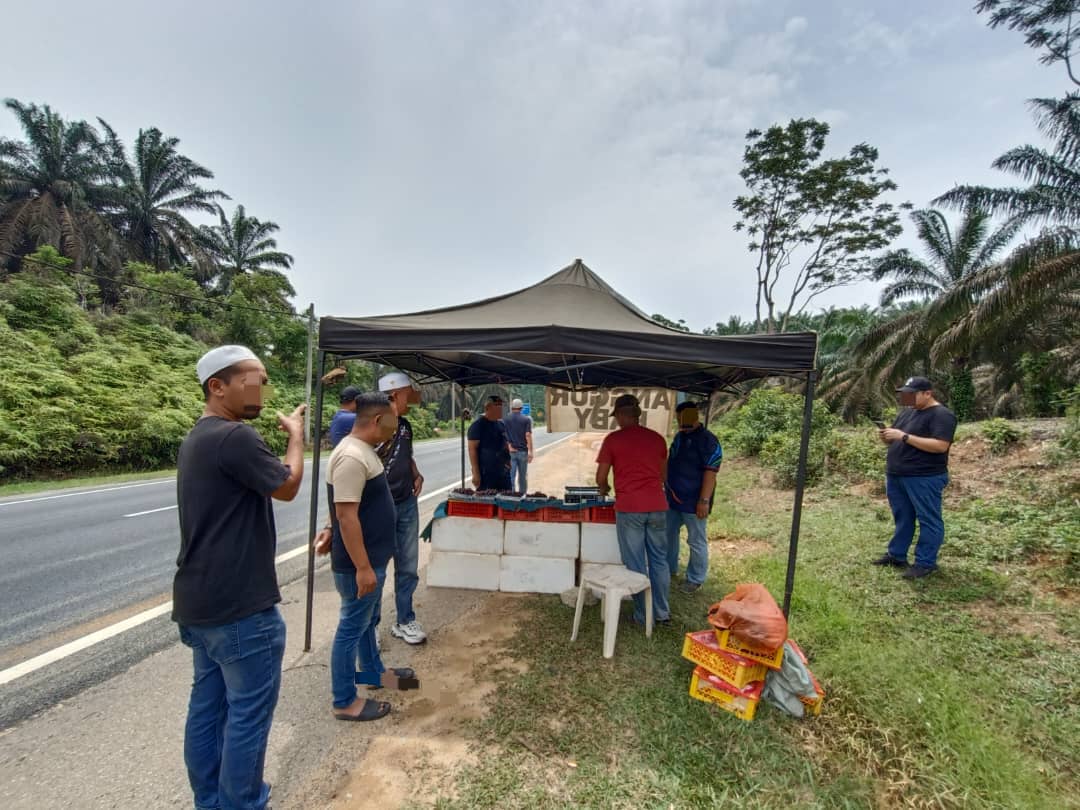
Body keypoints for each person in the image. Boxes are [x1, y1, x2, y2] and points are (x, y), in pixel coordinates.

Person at [173, 345, 306, 810]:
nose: (262, 389)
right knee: (248, 713)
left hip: (199, 601)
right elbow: (287, 486)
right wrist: (297, 436)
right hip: (239, 605)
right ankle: (243, 802)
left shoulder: (198, 437)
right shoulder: (235, 437)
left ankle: (210, 801)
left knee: (208, 710)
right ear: (218, 386)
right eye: (254, 380)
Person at [317, 392, 416, 721]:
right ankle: (344, 700)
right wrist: (362, 567)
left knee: (366, 622)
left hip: (372, 558)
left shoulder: (364, 451)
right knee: (351, 627)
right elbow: (346, 515)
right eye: (391, 419)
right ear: (377, 420)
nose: (395, 425)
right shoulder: (350, 456)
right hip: (359, 563)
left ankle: (373, 675)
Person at [595, 393, 671, 625]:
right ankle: (661, 612)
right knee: (659, 560)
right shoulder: (657, 439)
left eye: (616, 415)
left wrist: (604, 487)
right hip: (657, 505)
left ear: (620, 415)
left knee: (635, 562)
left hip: (630, 508)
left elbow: (601, 476)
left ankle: (642, 614)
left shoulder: (613, 440)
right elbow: (664, 476)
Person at [872, 376, 957, 579]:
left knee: (929, 519)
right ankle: (897, 554)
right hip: (897, 475)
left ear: (928, 393)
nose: (906, 398)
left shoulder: (942, 415)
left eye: (911, 394)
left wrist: (903, 436)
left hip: (924, 477)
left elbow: (940, 445)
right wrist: (887, 437)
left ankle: (925, 562)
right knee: (903, 517)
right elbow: (896, 439)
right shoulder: (907, 412)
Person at [373, 371, 427, 645]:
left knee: (407, 566)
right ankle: (371, 626)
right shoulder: (373, 426)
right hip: (379, 508)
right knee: (377, 570)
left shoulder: (405, 425)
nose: (412, 398)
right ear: (395, 395)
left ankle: (404, 620)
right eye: (408, 393)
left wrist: (416, 474)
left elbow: (408, 455)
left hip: (407, 504)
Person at [665, 401, 723, 593]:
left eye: (683, 417)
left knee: (696, 540)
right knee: (668, 535)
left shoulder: (709, 441)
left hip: (695, 501)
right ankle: (669, 568)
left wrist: (704, 500)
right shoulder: (680, 437)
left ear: (694, 416)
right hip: (673, 498)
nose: (680, 421)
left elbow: (711, 472)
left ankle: (695, 579)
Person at [468, 394, 512, 490]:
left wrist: (509, 461)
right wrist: (476, 472)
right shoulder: (477, 426)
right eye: (497, 405)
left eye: (501, 405)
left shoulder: (501, 424)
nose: (500, 408)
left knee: (507, 500)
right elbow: (472, 449)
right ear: (488, 407)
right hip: (486, 473)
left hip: (503, 472)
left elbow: (505, 444)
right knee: (487, 500)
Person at [504, 397, 534, 493]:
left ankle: (511, 495)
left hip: (511, 452)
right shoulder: (526, 420)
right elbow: (528, 435)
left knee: (511, 476)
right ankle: (522, 496)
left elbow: (504, 435)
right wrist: (530, 452)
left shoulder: (506, 419)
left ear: (512, 407)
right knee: (522, 477)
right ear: (521, 408)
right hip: (523, 452)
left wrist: (509, 446)